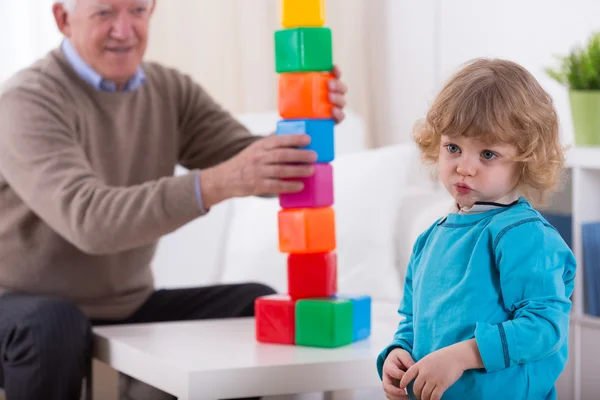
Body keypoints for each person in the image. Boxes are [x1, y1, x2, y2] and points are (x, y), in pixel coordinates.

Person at [0, 0, 349, 399]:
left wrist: (312, 116)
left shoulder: (169, 90)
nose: (124, 29)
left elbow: (257, 167)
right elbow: (89, 221)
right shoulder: (25, 100)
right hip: (16, 304)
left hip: (128, 305)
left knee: (256, 305)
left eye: (137, 10)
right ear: (63, 19)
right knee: (51, 326)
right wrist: (219, 182)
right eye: (104, 13)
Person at [377, 58, 576, 400]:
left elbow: (544, 327)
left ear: (525, 158)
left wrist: (461, 356)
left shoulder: (524, 235)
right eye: (453, 148)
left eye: (487, 153)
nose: (464, 167)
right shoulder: (431, 237)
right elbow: (413, 320)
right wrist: (398, 352)